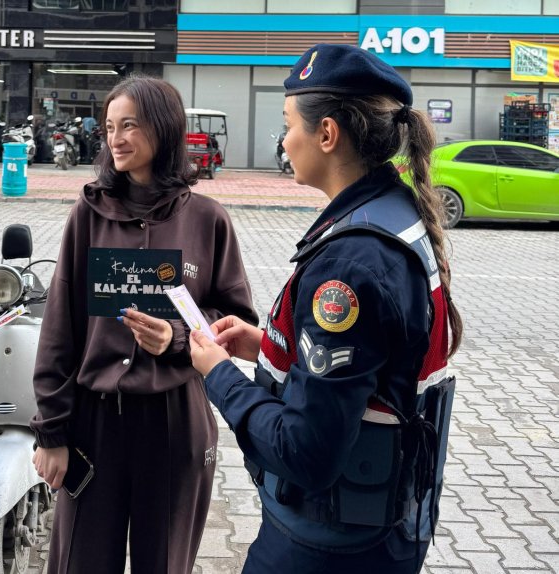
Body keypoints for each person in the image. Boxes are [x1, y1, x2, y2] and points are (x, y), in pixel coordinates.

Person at [188, 44, 463, 573]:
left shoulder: (351, 264)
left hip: (330, 543)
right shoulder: (389, 209)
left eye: (288, 124)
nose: (284, 140)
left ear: (328, 134)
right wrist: (266, 345)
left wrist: (218, 374)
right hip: (382, 522)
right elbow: (370, 370)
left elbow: (306, 453)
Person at [30, 75, 258, 574]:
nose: (116, 138)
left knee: (166, 562)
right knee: (79, 561)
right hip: (94, 420)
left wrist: (176, 339)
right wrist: (51, 432)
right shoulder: (87, 216)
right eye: (110, 126)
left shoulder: (208, 219)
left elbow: (235, 320)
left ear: (164, 129)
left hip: (175, 420)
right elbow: (59, 330)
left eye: (130, 125)